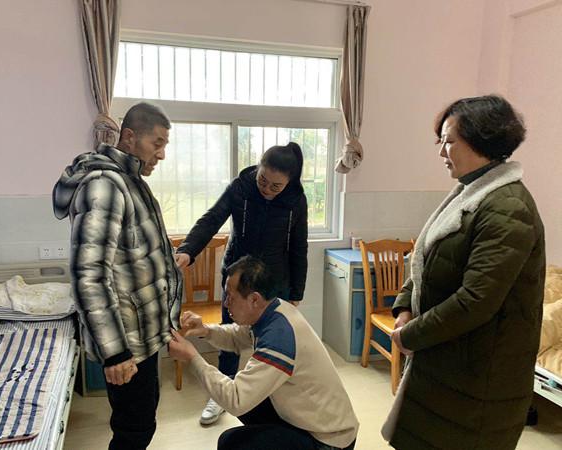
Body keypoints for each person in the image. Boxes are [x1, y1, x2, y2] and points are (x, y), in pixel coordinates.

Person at [387, 95, 546, 450]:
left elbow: (476, 300)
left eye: (449, 141)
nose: (442, 152)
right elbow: (426, 258)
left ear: (481, 142)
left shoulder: (508, 208)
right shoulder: (470, 194)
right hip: (447, 364)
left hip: (479, 382)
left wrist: (411, 335)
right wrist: (405, 308)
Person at [52, 102, 182, 450]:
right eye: (157, 143)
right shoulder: (105, 186)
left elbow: (131, 256)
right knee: (133, 432)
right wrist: (115, 354)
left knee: (140, 423)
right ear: (129, 137)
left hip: (142, 335)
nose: (162, 154)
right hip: (126, 342)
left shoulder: (131, 181)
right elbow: (89, 275)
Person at [174, 142, 308, 424]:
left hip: (274, 282)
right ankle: (222, 393)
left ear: (289, 182)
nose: (267, 189)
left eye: (276, 186)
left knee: (273, 339)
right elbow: (212, 219)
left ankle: (272, 397)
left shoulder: (296, 200)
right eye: (263, 180)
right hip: (237, 276)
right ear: (257, 168)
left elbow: (299, 246)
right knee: (229, 334)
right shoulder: (241, 187)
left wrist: (296, 291)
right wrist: (188, 250)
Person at [168, 256, 358, 450]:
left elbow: (235, 400)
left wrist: (192, 357)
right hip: (310, 419)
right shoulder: (274, 309)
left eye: (230, 297)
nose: (225, 303)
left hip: (328, 440)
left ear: (254, 299)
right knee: (239, 392)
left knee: (230, 443)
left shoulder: (278, 338)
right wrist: (205, 330)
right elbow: (237, 337)